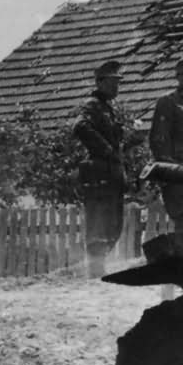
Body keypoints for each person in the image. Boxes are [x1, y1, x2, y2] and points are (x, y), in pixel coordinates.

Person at [72, 60, 128, 277]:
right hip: (98, 175)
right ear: (100, 82)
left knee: (114, 226)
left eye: (118, 82)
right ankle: (96, 272)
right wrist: (105, 149)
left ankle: (99, 269)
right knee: (98, 226)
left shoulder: (108, 108)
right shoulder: (92, 105)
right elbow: (80, 127)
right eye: (112, 82)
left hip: (111, 174)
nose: (116, 87)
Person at [150, 55, 183, 233]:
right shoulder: (167, 102)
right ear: (178, 77)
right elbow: (159, 139)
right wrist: (168, 167)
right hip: (175, 166)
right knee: (182, 216)